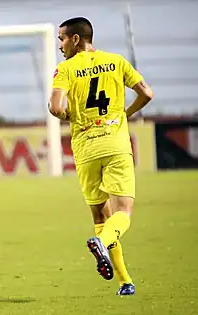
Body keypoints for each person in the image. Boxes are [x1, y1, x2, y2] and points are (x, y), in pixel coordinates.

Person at [48, 17, 153, 296]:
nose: (59, 46)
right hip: (116, 144)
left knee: (100, 214)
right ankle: (104, 244)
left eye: (62, 39)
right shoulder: (116, 61)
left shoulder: (65, 69)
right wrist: (124, 115)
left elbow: (55, 107)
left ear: (76, 39)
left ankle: (125, 282)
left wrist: (70, 115)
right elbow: (147, 93)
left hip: (85, 149)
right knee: (123, 213)